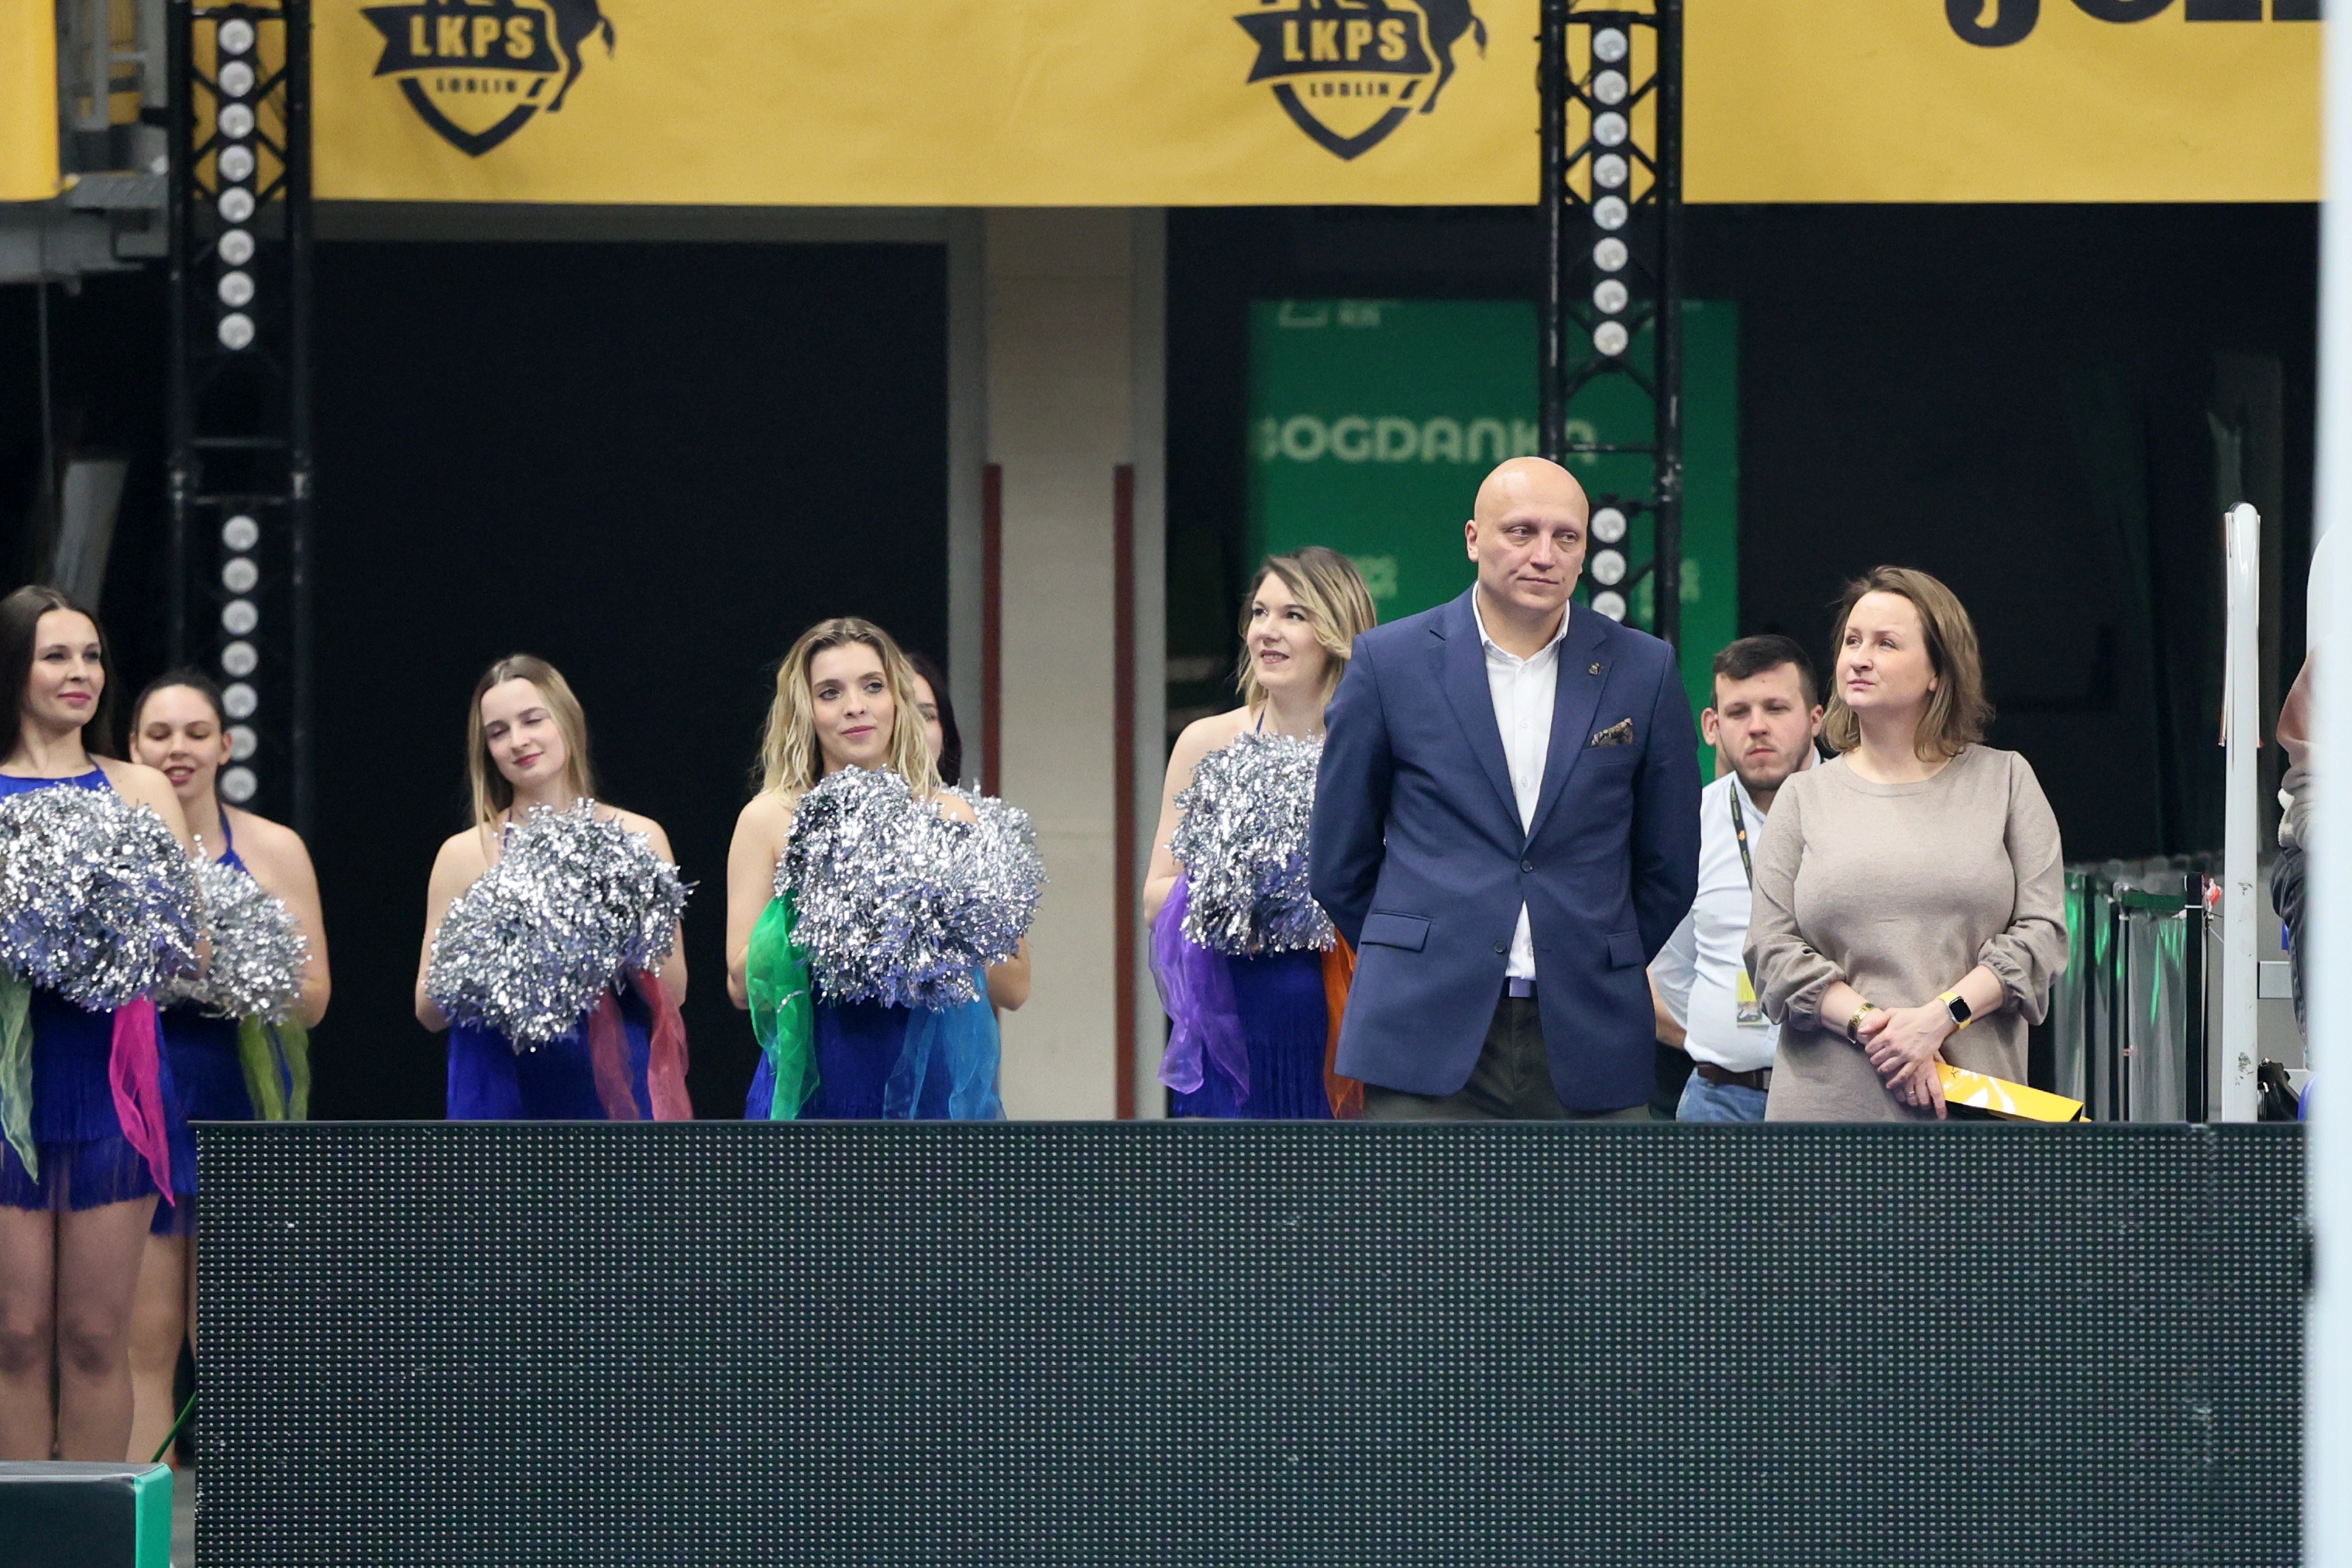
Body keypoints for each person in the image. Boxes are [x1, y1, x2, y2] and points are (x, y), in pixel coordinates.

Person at [1309, 458, 1700, 1120]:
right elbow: (1338, 860)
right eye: (1521, 532)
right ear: (1473, 539)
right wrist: (1421, 945)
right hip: (1421, 1028)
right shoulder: (1388, 662)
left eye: (1566, 537)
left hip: (1590, 1030)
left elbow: (1670, 863)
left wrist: (1592, 950)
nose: (1544, 555)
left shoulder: (1645, 668)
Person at [1745, 567, 2068, 1121]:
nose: (1859, 658)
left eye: (1886, 644)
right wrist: (1878, 1028)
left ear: (1938, 672)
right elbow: (1770, 953)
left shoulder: (2007, 781)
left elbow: (2042, 938)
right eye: (1852, 641)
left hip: (1970, 1106)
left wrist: (1939, 1019)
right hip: (1826, 1116)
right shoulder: (1802, 796)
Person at [0, 586, 199, 1462]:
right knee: (15, 1334)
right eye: (56, 655)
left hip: (111, 1084)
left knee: (92, 1335)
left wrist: (103, 937)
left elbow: (186, 945)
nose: (80, 672)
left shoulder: (141, 787)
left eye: (91, 656)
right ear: (14, 668)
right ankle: (18, 1527)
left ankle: (91, 1530)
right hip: (6, 1087)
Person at [125, 671, 331, 1467]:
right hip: (140, 1105)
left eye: (194, 732)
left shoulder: (275, 848)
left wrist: (232, 973)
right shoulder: (115, 848)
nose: (177, 749)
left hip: (238, 1104)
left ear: (225, 744)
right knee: (143, 1336)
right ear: (133, 748)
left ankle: (248, 1512)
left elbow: (314, 997)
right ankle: (139, 1515)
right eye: (159, 734)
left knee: (235, 1338)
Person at [731, 618, 1005, 1120]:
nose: (855, 706)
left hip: (927, 1083)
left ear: (898, 700)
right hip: (814, 1083)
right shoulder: (768, 818)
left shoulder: (950, 815)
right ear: (805, 711)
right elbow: (739, 984)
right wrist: (829, 919)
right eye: (830, 692)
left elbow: (987, 978)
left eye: (873, 686)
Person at [1145, 548, 1377, 1119]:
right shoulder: (1206, 741)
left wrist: (1312, 903)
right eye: (1259, 613)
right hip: (1234, 1023)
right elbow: (1155, 895)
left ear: (1336, 631)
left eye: (1294, 615)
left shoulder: (1377, 746)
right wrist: (1230, 901)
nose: (1267, 631)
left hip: (1346, 1021)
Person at [414, 655, 689, 1119]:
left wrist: (607, 932)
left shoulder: (639, 835)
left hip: (612, 1092)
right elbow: (428, 1009)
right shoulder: (463, 854)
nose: (518, 741)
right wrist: (499, 950)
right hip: (502, 1095)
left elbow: (674, 991)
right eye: (498, 732)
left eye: (532, 720)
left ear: (567, 718)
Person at [1648, 637, 1821, 1123]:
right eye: (1738, 712)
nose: (1757, 726)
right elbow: (1670, 965)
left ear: (1817, 719)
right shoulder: (1687, 823)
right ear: (1712, 726)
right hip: (1719, 1098)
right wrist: (1723, 1034)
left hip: (1839, 1098)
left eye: (1776, 708)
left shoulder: (1862, 812)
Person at [906, 650, 1031, 1015]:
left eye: (927, 715)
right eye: (902, 715)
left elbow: (1016, 988)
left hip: (951, 1038)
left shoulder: (973, 823)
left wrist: (946, 929)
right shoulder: (825, 821)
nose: (915, 730)